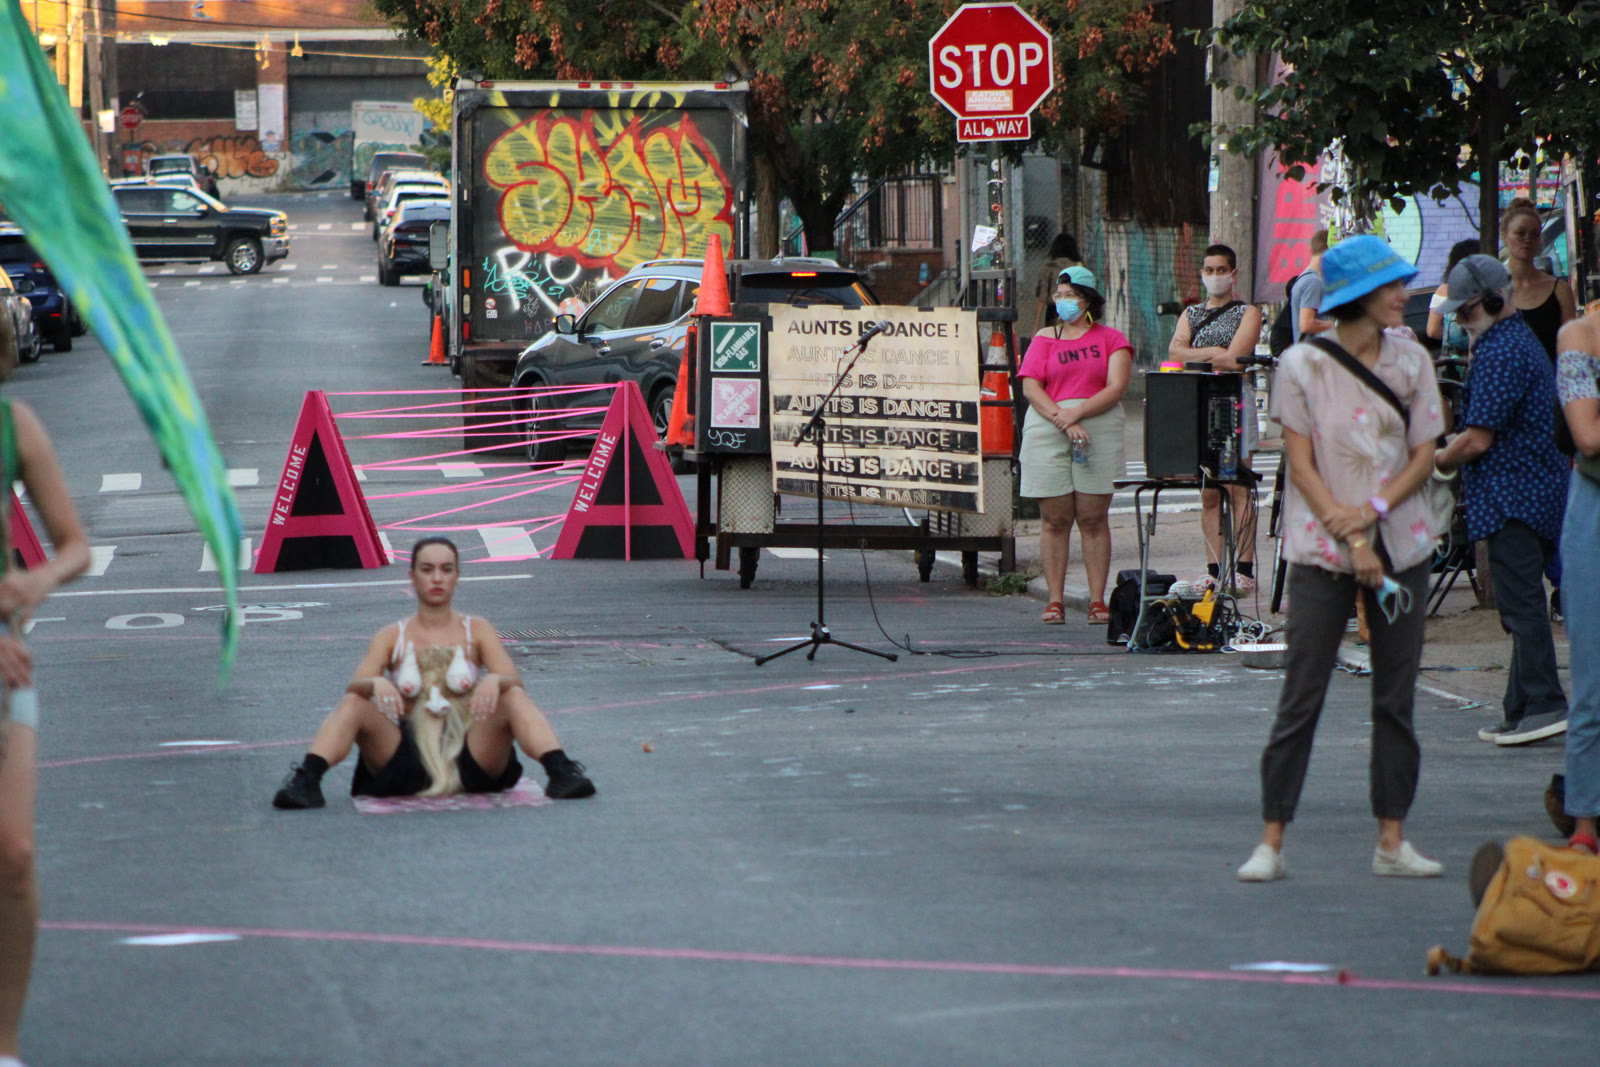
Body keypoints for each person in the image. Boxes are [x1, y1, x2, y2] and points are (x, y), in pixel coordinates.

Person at [1236, 235, 1446, 883]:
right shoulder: (1301, 366)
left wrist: (1375, 514)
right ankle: (1271, 839)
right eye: (1392, 287)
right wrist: (1353, 537)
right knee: (1303, 692)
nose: (1403, 296)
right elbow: (1300, 462)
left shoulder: (1412, 361)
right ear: (1357, 296)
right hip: (1321, 545)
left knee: (1395, 696)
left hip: (1402, 541)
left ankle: (1392, 838)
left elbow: (1423, 452)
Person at [272, 537, 596, 809]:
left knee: (511, 695)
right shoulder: (391, 635)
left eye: (446, 569)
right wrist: (376, 683)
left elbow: (513, 680)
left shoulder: (477, 629)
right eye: (427, 570)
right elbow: (354, 686)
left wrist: (495, 680)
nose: (437, 578)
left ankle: (562, 771)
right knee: (356, 703)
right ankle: (307, 779)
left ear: (457, 577)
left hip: (471, 754)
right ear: (412, 577)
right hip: (406, 759)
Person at [0, 334, 92, 1067]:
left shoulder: (14, 426)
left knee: (16, 853)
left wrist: (38, 578)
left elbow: (74, 545)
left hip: (6, 658)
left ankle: (4, 1043)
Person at [1434, 255, 1569, 747]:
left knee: (1522, 606)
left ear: (1491, 301)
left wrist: (1436, 463)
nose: (1458, 320)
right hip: (1528, 489)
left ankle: (1546, 702)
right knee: (1520, 602)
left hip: (1516, 493)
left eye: (1464, 311)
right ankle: (1520, 706)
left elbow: (1478, 438)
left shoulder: (1500, 351)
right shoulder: (1508, 343)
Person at [1017, 265, 1132, 625]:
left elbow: (1115, 388)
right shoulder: (1044, 337)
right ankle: (1055, 599)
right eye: (1060, 295)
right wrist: (1060, 418)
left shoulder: (1112, 339)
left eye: (1071, 295)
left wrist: (1076, 414)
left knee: (1093, 517)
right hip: (1049, 425)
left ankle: (1098, 600)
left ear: (1088, 300)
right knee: (1055, 519)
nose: (1063, 301)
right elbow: (1030, 385)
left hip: (1096, 425)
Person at [1167, 243, 1264, 592]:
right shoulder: (1191, 314)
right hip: (1200, 400)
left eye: (1221, 270)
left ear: (1233, 273)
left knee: (1238, 485)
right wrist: (1212, 352)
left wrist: (1201, 356)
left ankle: (1245, 568)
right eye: (1208, 270)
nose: (1214, 276)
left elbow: (1235, 360)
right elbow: (1175, 353)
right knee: (1209, 491)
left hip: (1234, 398)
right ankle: (1213, 567)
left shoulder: (1248, 312)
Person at [1555, 312, 1600, 853]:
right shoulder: (1580, 335)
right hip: (1592, 507)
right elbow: (1587, 435)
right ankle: (1586, 821)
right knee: (1592, 678)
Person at [1425, 239, 1480, 355]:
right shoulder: (1487, 291)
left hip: (1450, 359)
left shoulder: (1443, 290)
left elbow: (1432, 330)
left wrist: (1449, 338)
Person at [1029, 232, 1082, 337]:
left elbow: (1042, 299)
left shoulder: (1049, 269)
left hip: (1053, 311)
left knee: (1054, 339)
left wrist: (1036, 326)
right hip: (1075, 309)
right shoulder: (1078, 267)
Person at [1290, 228, 1333, 344]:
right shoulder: (1314, 282)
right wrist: (1336, 325)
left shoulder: (1304, 279)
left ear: (1311, 251)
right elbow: (1306, 324)